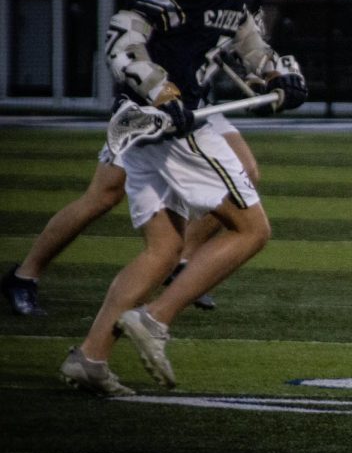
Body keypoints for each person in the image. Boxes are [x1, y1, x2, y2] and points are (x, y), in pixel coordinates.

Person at [58, 0, 307, 396]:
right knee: (253, 230)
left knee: (163, 250)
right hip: (168, 122)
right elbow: (125, 32)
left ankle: (91, 358)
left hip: (156, 130)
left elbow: (245, 42)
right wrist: (160, 90)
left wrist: (276, 75)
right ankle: (155, 319)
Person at [2, 112, 256, 316]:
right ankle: (25, 276)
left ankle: (180, 263)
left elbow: (239, 52)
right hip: (149, 110)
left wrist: (268, 74)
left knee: (246, 172)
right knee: (104, 195)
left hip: (198, 107)